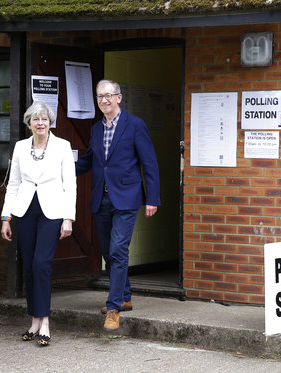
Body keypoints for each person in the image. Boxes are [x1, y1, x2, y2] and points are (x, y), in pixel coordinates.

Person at [75, 79, 160, 332]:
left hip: (127, 197)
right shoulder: (96, 129)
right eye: (100, 96)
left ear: (119, 98)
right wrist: (59, 169)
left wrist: (152, 198)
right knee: (107, 251)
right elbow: (89, 160)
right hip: (101, 198)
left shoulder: (135, 125)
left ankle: (113, 309)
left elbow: (150, 164)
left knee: (118, 250)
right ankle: (125, 294)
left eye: (108, 96)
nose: (104, 100)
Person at [1, 101, 76, 346]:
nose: (40, 123)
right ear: (29, 123)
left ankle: (45, 322)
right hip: (24, 211)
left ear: (50, 122)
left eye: (44, 119)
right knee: (30, 266)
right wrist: (6, 218)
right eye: (36, 119)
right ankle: (34, 320)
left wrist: (68, 218)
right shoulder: (21, 147)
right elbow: (13, 185)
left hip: (52, 212)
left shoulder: (63, 146)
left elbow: (70, 185)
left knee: (42, 263)